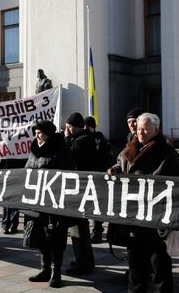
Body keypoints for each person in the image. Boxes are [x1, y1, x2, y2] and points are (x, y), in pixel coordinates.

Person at [108, 112, 179, 293]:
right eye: (139, 129)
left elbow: (178, 181)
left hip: (155, 217)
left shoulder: (167, 153)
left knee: (158, 262)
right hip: (133, 216)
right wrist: (114, 169)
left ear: (156, 130)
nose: (140, 133)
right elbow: (122, 164)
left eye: (145, 130)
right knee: (135, 262)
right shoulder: (129, 149)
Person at [23, 120, 72, 288]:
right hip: (37, 201)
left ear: (49, 134)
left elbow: (68, 174)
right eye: (35, 132)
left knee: (55, 238)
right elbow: (28, 168)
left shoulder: (60, 150)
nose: (37, 135)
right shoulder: (34, 150)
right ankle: (44, 269)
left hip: (54, 202)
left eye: (40, 133)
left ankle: (56, 272)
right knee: (41, 236)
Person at [63, 112, 96, 275]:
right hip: (79, 189)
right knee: (77, 229)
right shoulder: (83, 139)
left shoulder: (82, 141)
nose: (66, 130)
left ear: (75, 127)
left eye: (68, 127)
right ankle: (82, 259)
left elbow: (69, 156)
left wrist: (67, 138)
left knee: (79, 229)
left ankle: (84, 262)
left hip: (80, 190)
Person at [84, 116, 114, 244]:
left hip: (97, 176)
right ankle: (96, 230)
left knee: (96, 205)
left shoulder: (96, 139)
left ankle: (96, 231)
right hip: (97, 175)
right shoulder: (100, 139)